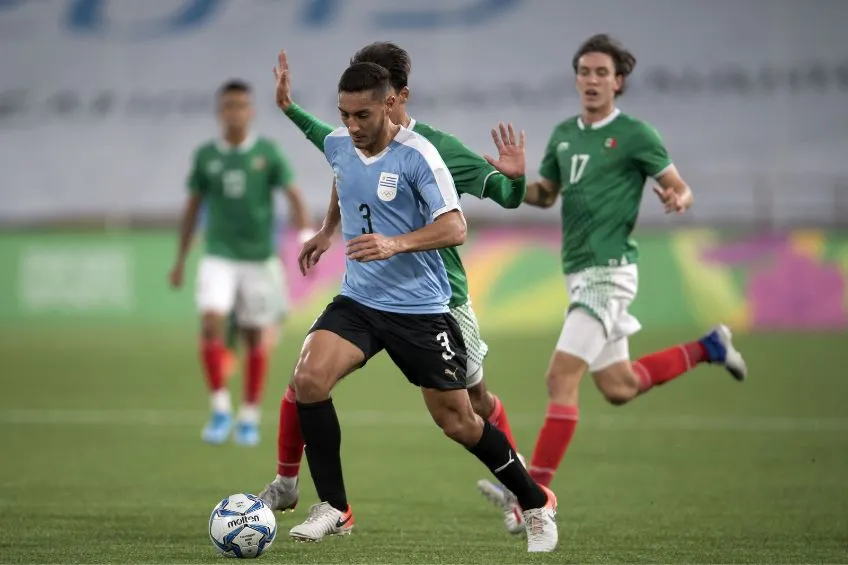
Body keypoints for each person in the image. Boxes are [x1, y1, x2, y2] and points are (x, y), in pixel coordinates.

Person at [275, 61, 558, 553]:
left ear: (390, 103)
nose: (352, 126)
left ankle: (534, 504)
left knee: (461, 420)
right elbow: (338, 163)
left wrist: (394, 244)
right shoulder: (343, 143)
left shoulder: (421, 155)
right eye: (344, 115)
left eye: (361, 115)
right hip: (360, 299)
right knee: (308, 380)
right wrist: (290, 112)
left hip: (421, 309)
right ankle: (334, 507)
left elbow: (455, 228)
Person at [476, 33, 749, 531]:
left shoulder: (637, 135)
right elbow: (544, 195)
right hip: (579, 275)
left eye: (602, 73)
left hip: (610, 272)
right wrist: (513, 182)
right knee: (619, 387)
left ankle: (531, 498)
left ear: (618, 82)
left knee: (560, 379)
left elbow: (677, 186)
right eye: (585, 72)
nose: (592, 81)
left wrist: (679, 200)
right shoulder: (563, 134)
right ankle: (709, 346)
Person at [168, 80, 311, 446]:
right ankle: (219, 407)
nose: (235, 112)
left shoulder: (267, 153)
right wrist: (181, 259)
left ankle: (248, 415)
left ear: (251, 111)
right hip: (219, 255)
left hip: (259, 259)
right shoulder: (206, 156)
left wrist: (308, 236)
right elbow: (192, 208)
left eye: (242, 105)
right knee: (211, 320)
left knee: (252, 335)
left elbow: (294, 195)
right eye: (229, 105)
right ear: (221, 112)